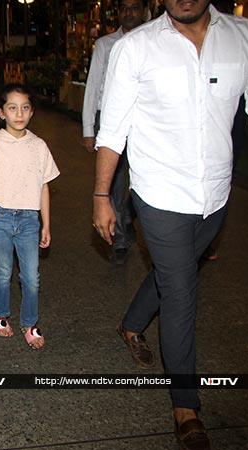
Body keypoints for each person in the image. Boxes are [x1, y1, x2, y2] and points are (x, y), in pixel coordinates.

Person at [92, 1, 248, 450]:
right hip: (159, 192)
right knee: (182, 290)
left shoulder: (246, 37)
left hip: (215, 195)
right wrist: (101, 196)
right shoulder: (136, 47)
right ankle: (187, 407)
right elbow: (114, 128)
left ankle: (130, 324)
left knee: (175, 271)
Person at [0, 84, 59, 348]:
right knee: (4, 270)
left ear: (31, 113)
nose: (19, 113)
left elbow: (44, 185)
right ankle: (0, 315)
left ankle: (29, 323)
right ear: (1, 112)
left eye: (25, 107)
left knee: (32, 275)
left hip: (30, 219)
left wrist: (46, 224)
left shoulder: (39, 146)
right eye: (12, 108)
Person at [81, 0, 146, 265]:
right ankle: (119, 239)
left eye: (134, 7)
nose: (129, 13)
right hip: (110, 121)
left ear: (144, 10)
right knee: (115, 182)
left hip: (145, 124)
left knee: (142, 181)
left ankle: (127, 216)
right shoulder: (106, 44)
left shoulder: (154, 41)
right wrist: (88, 128)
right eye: (124, 8)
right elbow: (93, 83)